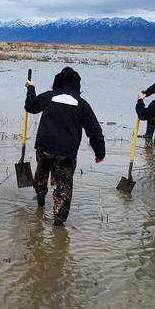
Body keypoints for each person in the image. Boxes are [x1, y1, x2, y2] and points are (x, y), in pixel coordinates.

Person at [25, 67, 106, 226]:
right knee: (63, 187)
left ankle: (40, 202)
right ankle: (58, 223)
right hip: (66, 153)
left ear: (57, 81)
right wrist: (100, 152)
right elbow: (95, 131)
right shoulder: (82, 104)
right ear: (77, 85)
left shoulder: (49, 97)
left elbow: (31, 107)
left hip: (45, 147)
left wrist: (30, 89)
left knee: (40, 177)